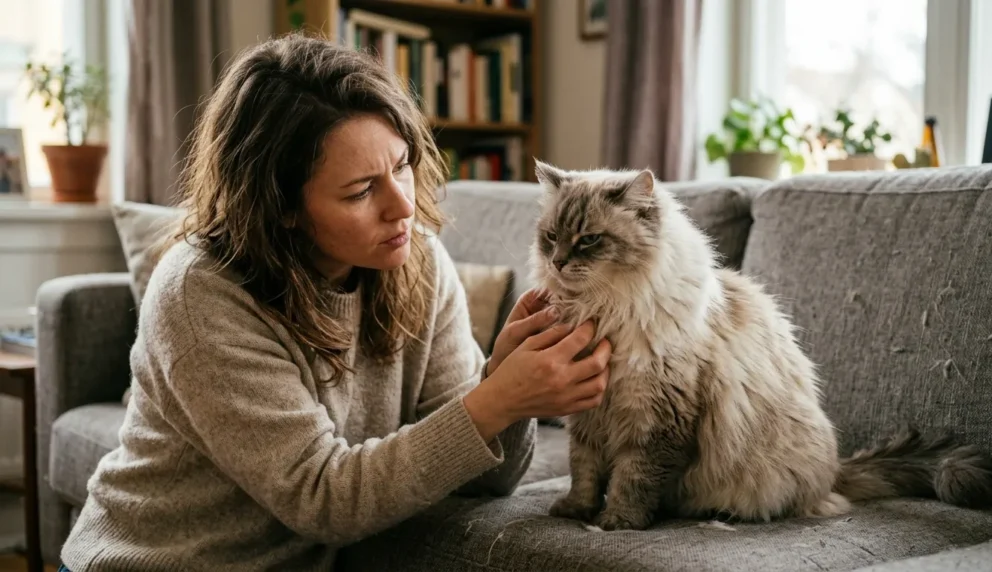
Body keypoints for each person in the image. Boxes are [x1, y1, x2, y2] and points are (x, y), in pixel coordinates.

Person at [58, 34, 611, 571]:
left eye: (401, 166)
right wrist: (495, 400)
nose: (403, 206)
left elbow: (485, 480)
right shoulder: (200, 294)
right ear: (282, 207)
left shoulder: (418, 262)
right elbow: (320, 497)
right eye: (361, 191)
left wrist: (504, 388)